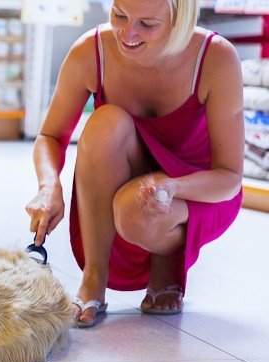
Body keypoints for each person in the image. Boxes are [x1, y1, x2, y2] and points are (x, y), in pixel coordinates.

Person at [25, 0, 244, 328]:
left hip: (198, 192)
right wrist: (48, 186)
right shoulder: (91, 51)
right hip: (122, 184)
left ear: (178, 19)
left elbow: (230, 178)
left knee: (134, 212)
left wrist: (173, 186)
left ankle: (167, 261)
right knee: (104, 123)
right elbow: (51, 135)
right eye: (120, 15)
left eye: (147, 24)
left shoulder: (216, 57)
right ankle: (93, 277)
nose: (128, 34)